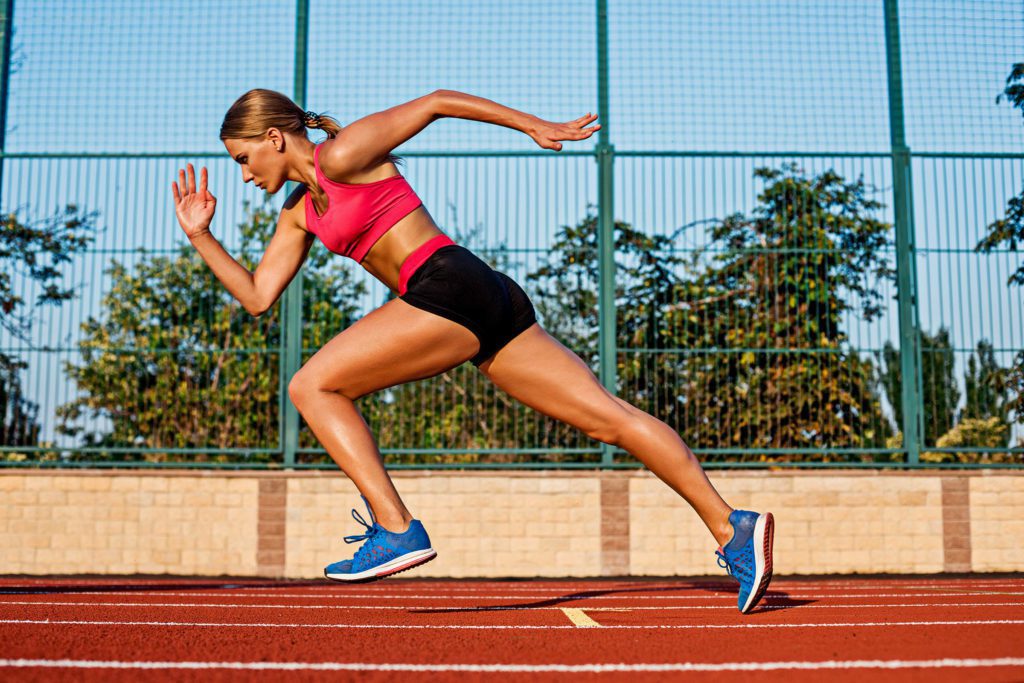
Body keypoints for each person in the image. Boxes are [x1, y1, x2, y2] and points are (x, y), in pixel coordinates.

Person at [171, 88, 774, 613]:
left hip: (446, 284)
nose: (244, 175)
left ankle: (396, 527)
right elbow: (257, 296)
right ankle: (734, 528)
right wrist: (201, 236)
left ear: (274, 137)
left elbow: (437, 103)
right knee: (610, 417)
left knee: (312, 385)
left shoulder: (343, 154)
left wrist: (533, 125)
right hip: (481, 298)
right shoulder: (296, 215)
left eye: (244, 159)